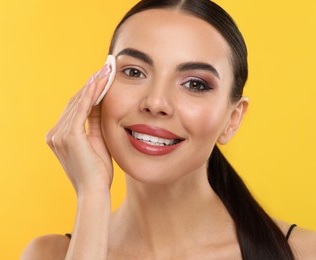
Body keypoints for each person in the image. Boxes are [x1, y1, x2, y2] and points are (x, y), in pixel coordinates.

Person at [21, 0, 316, 259]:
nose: (156, 102)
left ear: (232, 119)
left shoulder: (304, 252)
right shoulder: (49, 255)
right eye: (134, 72)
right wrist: (93, 197)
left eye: (195, 84)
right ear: (99, 86)